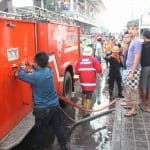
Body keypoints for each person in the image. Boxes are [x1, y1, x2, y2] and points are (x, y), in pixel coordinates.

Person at [16, 52, 68, 150]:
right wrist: (31, 64)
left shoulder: (35, 77)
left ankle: (40, 147)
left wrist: (22, 66)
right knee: (58, 127)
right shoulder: (49, 70)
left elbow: (20, 75)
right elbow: (39, 67)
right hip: (55, 106)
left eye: (34, 62)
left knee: (41, 131)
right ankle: (63, 145)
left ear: (37, 64)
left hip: (42, 110)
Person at [75, 47, 102, 115]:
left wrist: (74, 80)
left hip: (83, 81)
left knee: (84, 91)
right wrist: (101, 73)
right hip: (91, 81)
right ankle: (87, 111)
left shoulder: (79, 60)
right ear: (91, 52)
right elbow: (99, 69)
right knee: (89, 94)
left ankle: (83, 104)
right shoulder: (93, 60)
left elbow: (76, 72)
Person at [123, 21, 142, 117]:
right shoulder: (132, 41)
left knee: (134, 89)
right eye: (129, 29)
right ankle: (130, 105)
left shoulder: (137, 42)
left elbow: (137, 57)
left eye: (133, 29)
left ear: (137, 30)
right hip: (129, 69)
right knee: (129, 88)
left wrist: (132, 72)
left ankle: (134, 109)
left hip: (133, 70)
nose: (130, 31)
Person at [139, 30, 150, 112]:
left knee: (143, 85)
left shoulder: (142, 46)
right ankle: (148, 103)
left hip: (145, 67)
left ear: (144, 36)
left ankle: (143, 104)